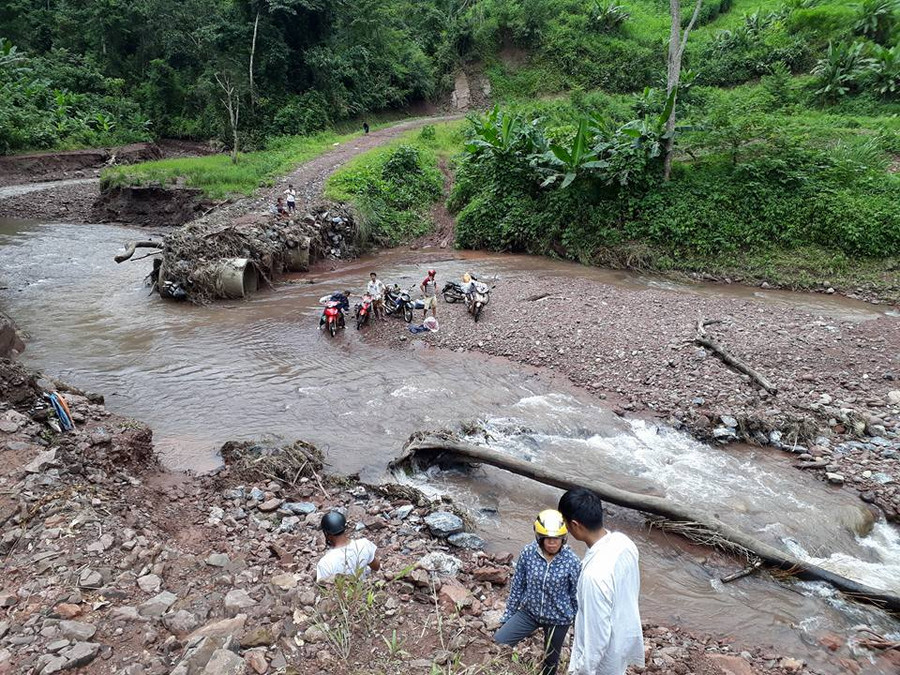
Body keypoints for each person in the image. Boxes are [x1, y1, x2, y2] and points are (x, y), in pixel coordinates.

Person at [557, 489, 643, 675]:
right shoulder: (624, 542)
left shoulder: (594, 576)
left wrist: (580, 670)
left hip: (605, 659)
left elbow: (596, 638)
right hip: (624, 634)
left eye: (565, 523)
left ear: (575, 525)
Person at [495, 510, 580, 675]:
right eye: (547, 538)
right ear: (539, 537)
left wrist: (578, 627)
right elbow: (518, 586)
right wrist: (508, 615)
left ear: (563, 539)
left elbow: (576, 596)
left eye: (556, 539)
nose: (552, 543)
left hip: (558, 619)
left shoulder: (572, 561)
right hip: (529, 613)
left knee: (550, 661)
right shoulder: (528, 553)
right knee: (499, 642)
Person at [315, 511, 381, 582]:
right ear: (345, 528)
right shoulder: (364, 544)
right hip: (362, 590)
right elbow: (376, 567)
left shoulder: (325, 563)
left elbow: (324, 588)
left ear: (326, 533)